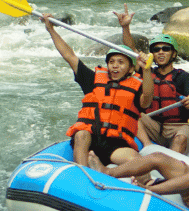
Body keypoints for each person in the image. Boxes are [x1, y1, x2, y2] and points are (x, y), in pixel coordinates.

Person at [40, 13, 154, 168]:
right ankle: (84, 173)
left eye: (121, 62)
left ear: (130, 69)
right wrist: (51, 30)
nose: (115, 65)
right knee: (81, 134)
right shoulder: (94, 80)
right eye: (111, 62)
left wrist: (147, 70)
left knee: (136, 160)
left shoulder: (137, 86)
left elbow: (147, 98)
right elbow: (70, 56)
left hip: (116, 144)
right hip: (91, 138)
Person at [114, 4, 189, 154]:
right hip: (154, 125)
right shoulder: (147, 72)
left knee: (180, 139)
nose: (160, 52)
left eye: (165, 49)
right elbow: (132, 51)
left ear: (173, 54)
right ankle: (148, 147)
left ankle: (172, 166)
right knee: (132, 112)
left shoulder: (183, 76)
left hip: (179, 126)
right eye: (156, 49)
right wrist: (125, 27)